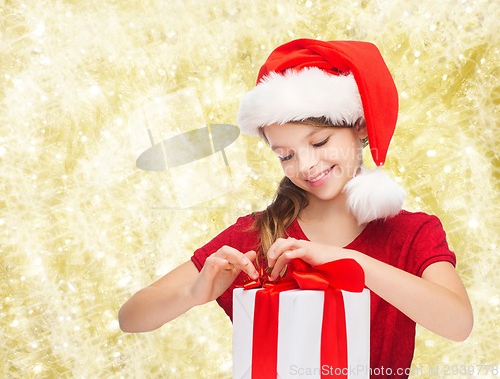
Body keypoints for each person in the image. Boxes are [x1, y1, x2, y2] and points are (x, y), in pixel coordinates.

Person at [118, 39, 473, 378]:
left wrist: (350, 264)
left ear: (360, 128)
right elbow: (131, 317)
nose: (306, 165)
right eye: (285, 155)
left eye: (319, 142)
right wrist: (192, 294)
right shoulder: (260, 236)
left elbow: (458, 323)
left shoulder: (410, 234)